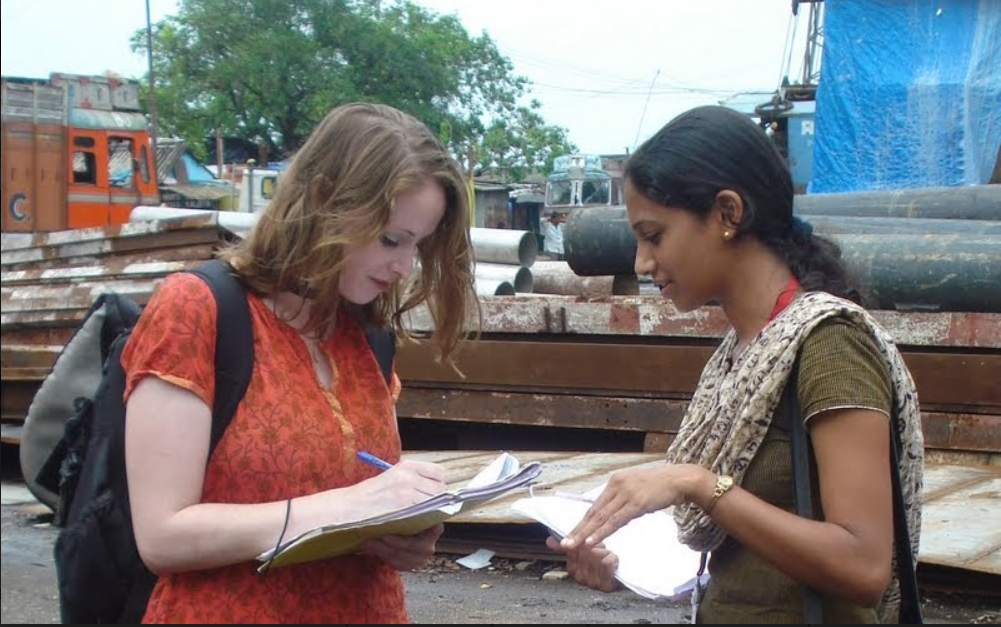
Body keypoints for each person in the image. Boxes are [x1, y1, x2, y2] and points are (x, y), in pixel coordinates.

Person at [547, 106, 923, 624]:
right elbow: (744, 556)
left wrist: (700, 484)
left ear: (727, 213)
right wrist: (620, 565)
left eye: (654, 236)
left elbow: (863, 567)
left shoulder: (830, 343)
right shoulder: (742, 352)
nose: (641, 262)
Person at [122, 103, 478, 623]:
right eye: (390, 239)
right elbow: (161, 535)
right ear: (323, 199)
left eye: (418, 245)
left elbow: (362, 503)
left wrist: (396, 537)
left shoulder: (366, 338)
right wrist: (351, 507)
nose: (404, 267)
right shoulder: (197, 309)